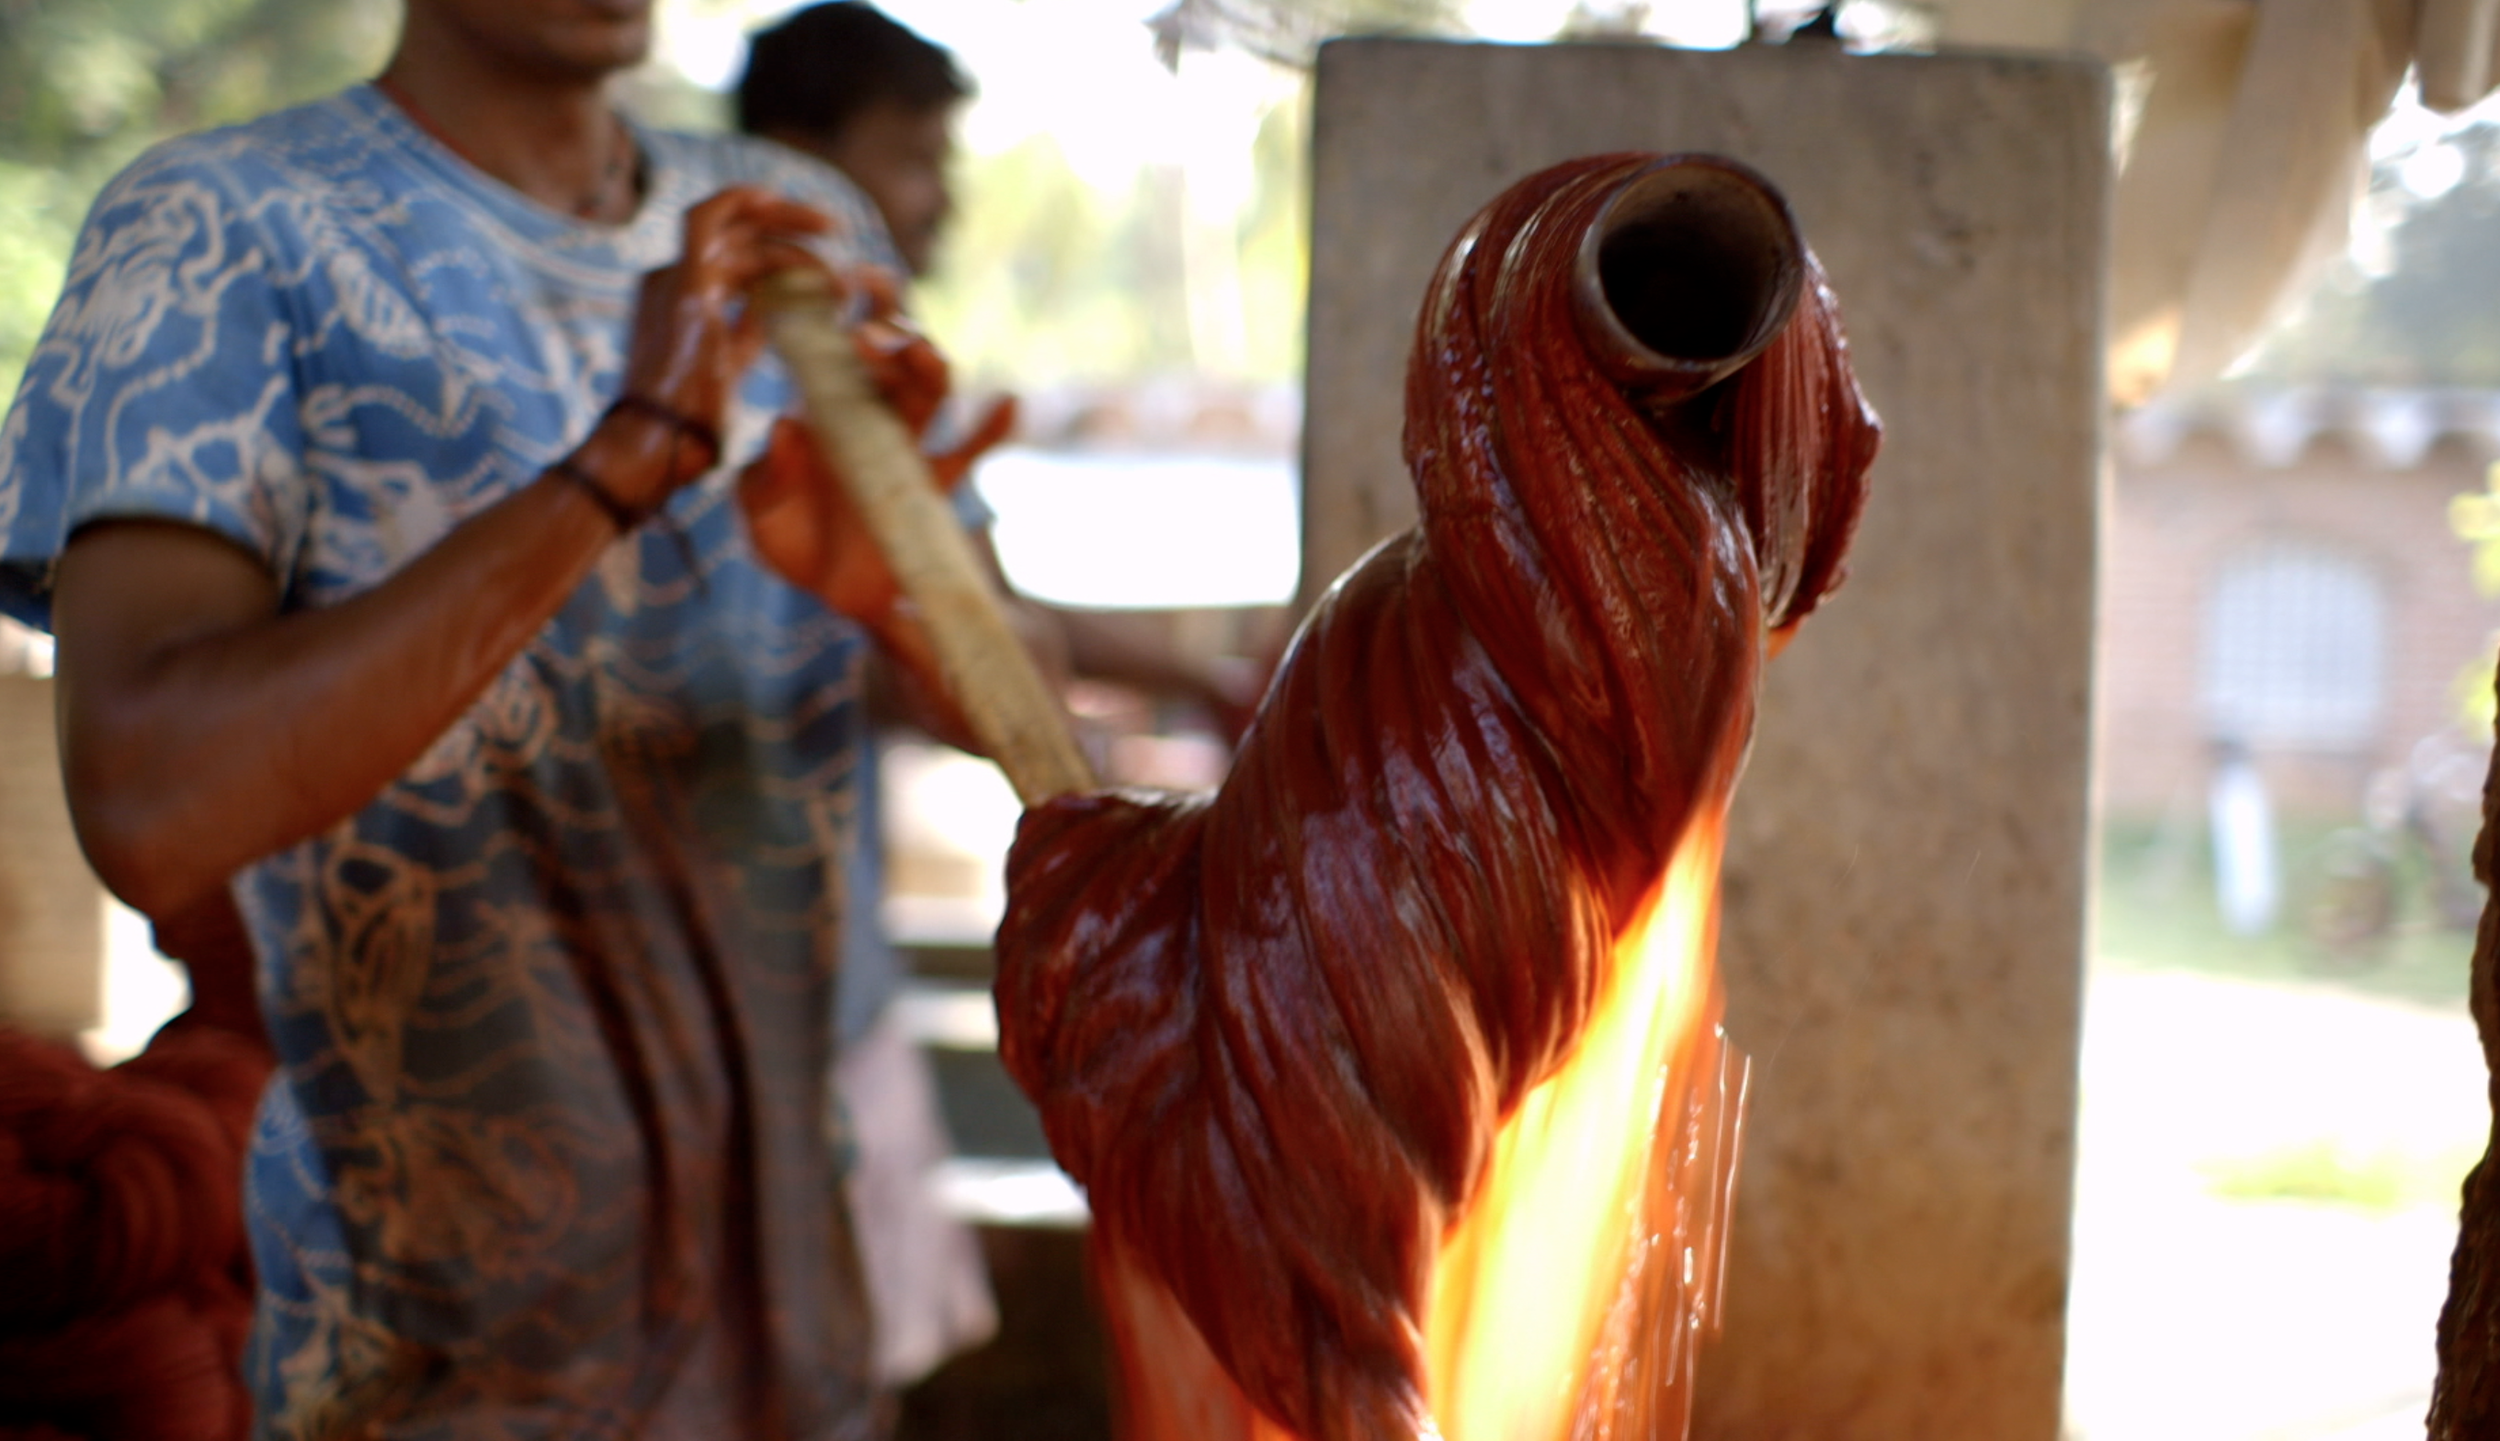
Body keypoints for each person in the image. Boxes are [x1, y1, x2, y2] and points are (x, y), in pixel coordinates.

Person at [0, 0, 994, 1434]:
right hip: (419, 1358)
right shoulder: (217, 232)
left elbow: (989, 678)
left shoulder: (797, 230)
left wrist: (912, 612)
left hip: (794, 1331)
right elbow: (153, 808)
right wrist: (615, 469)